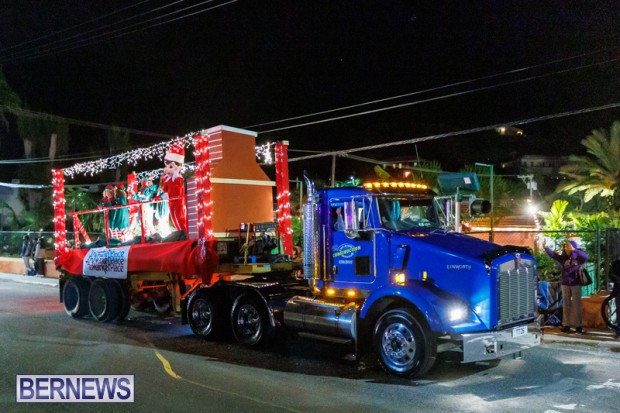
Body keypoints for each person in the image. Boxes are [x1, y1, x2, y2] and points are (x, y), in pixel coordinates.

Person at [544, 239, 588, 334]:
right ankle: (566, 325)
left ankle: (578, 326)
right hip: (565, 284)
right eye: (565, 246)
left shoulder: (578, 257)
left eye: (568, 246)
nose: (566, 248)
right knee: (566, 305)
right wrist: (546, 247)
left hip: (576, 283)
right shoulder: (564, 258)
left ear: (573, 247)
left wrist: (574, 250)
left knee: (577, 305)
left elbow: (585, 257)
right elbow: (554, 255)